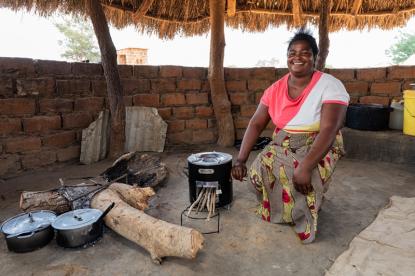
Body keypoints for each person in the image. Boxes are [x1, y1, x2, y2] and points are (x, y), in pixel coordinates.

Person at [231, 29, 349, 244]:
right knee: (258, 175)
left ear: (315, 57)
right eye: (292, 52)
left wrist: (305, 166)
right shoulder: (274, 89)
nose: (297, 57)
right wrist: (240, 159)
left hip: (319, 143)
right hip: (283, 141)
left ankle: (306, 211)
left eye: (305, 52)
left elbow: (329, 129)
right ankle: (283, 211)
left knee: (304, 179)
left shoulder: (330, 85)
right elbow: (257, 123)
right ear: (287, 57)